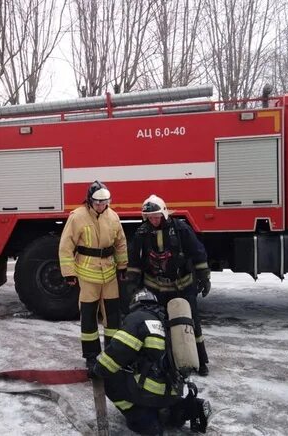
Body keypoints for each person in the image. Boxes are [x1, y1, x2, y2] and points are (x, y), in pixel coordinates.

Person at [92, 289, 212, 435]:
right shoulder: (168, 320)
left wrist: (97, 370)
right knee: (158, 384)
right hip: (174, 389)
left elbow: (118, 352)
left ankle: (146, 422)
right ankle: (181, 410)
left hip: (151, 390)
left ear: (134, 305)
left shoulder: (137, 319)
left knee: (109, 379)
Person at [128, 195, 212, 376]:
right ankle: (166, 361)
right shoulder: (142, 233)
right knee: (157, 325)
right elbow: (134, 259)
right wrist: (132, 282)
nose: (153, 220)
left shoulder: (181, 230)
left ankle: (200, 361)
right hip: (155, 288)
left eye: (156, 216)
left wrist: (204, 277)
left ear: (164, 213)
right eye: (150, 217)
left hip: (182, 286)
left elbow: (198, 253)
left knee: (191, 324)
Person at [59, 180, 128, 374]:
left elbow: (120, 243)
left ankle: (113, 354)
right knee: (89, 317)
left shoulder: (113, 216)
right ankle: (91, 356)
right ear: (89, 201)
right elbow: (66, 246)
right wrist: (69, 273)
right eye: (98, 203)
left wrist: (122, 266)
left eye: (104, 202)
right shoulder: (77, 217)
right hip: (87, 275)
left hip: (109, 274)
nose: (101, 206)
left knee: (113, 317)